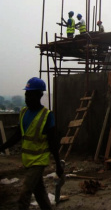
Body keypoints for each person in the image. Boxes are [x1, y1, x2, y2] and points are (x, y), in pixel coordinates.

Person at [0, 77, 64, 210]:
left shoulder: (47, 115)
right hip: (28, 160)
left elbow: (53, 142)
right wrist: (2, 147)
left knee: (24, 193)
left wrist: (58, 164)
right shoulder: (23, 113)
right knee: (39, 192)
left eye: (30, 94)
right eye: (26, 94)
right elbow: (17, 135)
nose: (27, 98)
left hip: (39, 161)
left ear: (39, 95)